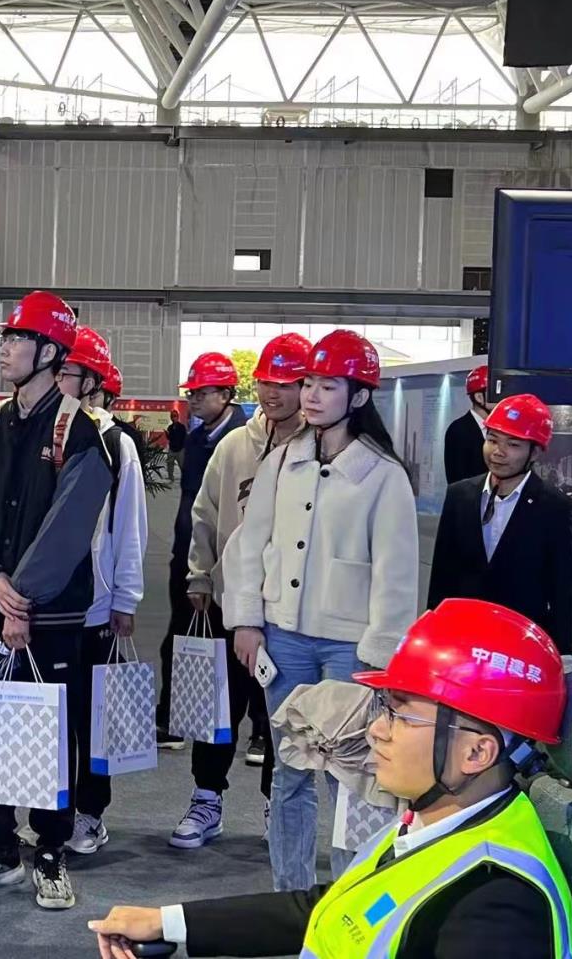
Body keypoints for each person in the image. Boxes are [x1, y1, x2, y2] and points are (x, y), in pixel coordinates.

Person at [89, 600, 572, 959]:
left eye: (401, 715)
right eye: (384, 709)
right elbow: (334, 910)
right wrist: (169, 923)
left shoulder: (495, 904)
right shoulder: (443, 825)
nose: (376, 730)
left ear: (476, 752)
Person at [223, 329, 418, 890]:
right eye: (308, 382)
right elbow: (250, 544)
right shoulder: (283, 460)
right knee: (289, 773)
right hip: (282, 638)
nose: (310, 395)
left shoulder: (384, 474)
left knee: (353, 779)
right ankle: (291, 892)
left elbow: (397, 575)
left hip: (351, 649)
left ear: (359, 395)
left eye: (327, 385)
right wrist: (246, 620)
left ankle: (353, 895)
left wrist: (381, 655)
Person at [0, 289, 110, 911]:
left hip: (49, 617)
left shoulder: (81, 431)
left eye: (17, 338)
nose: (6, 348)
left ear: (49, 351)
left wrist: (21, 602)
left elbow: (69, 527)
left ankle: (51, 848)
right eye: (7, 337)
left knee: (47, 734)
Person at [171, 332, 309, 851]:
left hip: (291, 610)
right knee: (218, 707)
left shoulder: (320, 448)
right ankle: (207, 798)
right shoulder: (233, 447)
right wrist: (199, 574)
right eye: (267, 382)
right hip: (231, 603)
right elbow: (204, 513)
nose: (274, 393)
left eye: (287, 383)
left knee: (282, 716)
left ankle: (279, 804)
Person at [56, 326, 147, 857]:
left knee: (94, 720)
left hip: (95, 607)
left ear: (91, 380)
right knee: (53, 717)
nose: (59, 380)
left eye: (67, 372)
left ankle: (90, 813)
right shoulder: (46, 434)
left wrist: (125, 599)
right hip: (48, 607)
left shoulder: (117, 444)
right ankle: (55, 812)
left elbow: (130, 526)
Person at [426, 393, 572, 649]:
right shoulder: (459, 495)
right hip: (463, 638)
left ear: (535, 452)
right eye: (492, 440)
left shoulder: (558, 509)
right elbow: (442, 577)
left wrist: (562, 656)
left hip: (522, 644)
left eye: (513, 444)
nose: (498, 452)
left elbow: (565, 595)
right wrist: (434, 636)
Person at [156, 352, 248, 752]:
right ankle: (176, 719)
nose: (193, 399)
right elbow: (192, 505)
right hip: (188, 555)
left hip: (233, 564)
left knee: (236, 649)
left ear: (226, 394)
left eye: (201, 392)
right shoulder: (195, 440)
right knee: (179, 639)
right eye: (191, 392)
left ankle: (258, 732)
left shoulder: (246, 441)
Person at [442, 363, 490, 484]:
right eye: (494, 394)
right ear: (479, 397)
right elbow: (458, 479)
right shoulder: (458, 430)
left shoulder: (498, 430)